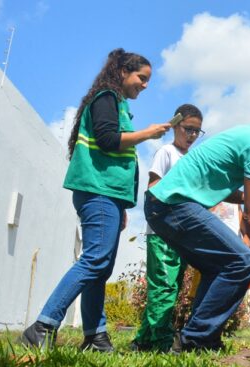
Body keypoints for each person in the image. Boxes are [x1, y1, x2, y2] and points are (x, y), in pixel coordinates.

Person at [20, 49, 171, 351]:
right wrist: (148, 134)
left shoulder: (119, 104)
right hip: (98, 191)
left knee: (101, 267)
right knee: (95, 260)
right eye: (142, 78)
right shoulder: (106, 98)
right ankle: (43, 326)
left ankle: (95, 336)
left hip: (108, 195)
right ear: (123, 73)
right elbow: (107, 140)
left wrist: (121, 205)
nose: (145, 85)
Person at [145, 99, 250, 352]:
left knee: (221, 265)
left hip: (163, 206)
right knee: (244, 261)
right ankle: (194, 338)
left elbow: (224, 188)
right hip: (173, 205)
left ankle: (202, 337)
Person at [131, 104, 204, 352]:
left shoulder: (191, 158)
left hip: (180, 235)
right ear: (175, 126)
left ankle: (142, 341)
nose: (192, 135)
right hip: (163, 232)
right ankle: (161, 343)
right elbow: (153, 187)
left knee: (170, 289)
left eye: (197, 131)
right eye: (188, 129)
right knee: (163, 288)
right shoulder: (166, 152)